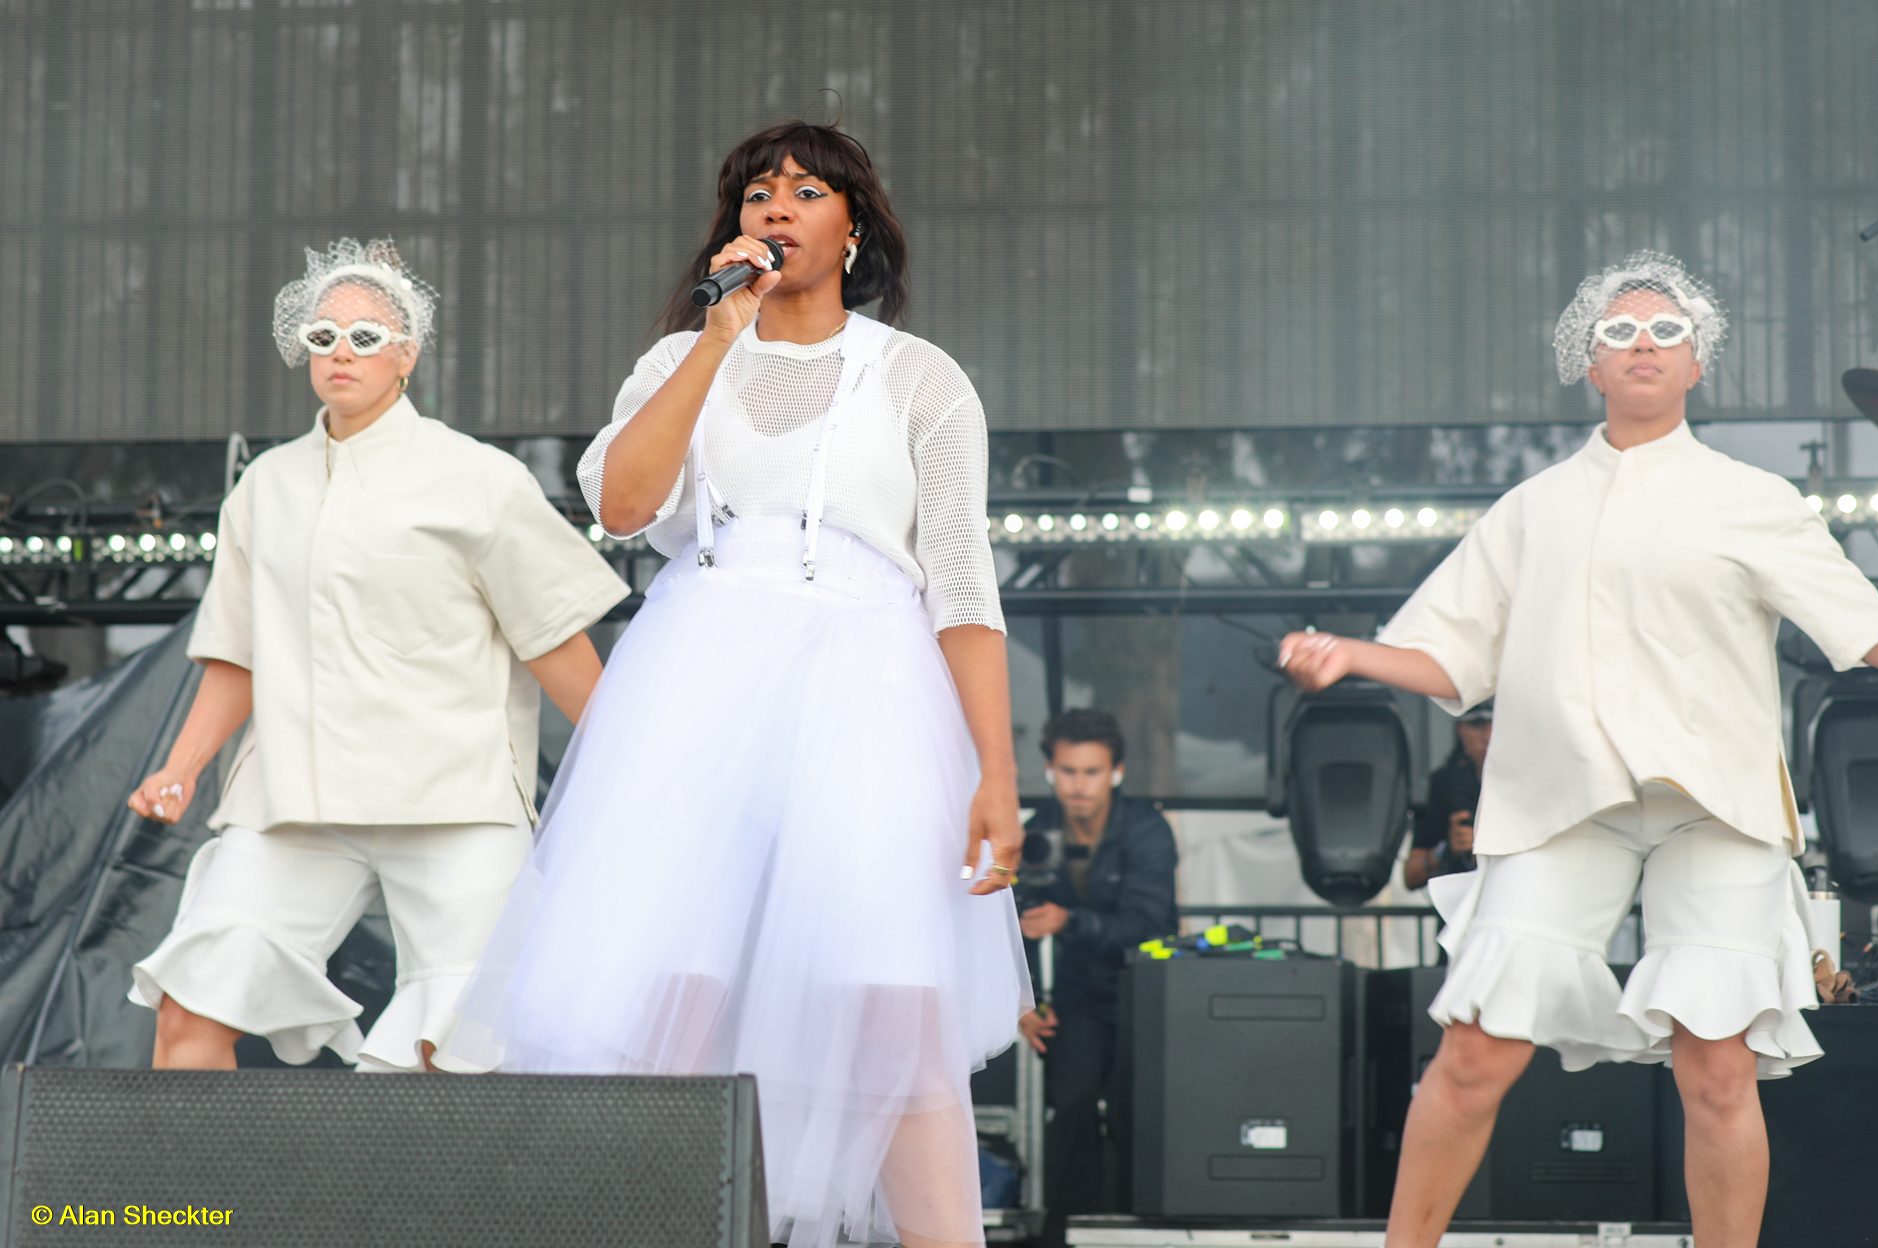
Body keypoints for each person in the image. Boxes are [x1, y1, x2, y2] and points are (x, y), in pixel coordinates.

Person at [1280, 250, 1878, 1248]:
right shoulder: (1530, 508)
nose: (1643, 344)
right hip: (1557, 798)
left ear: (1697, 362)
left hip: (1716, 804)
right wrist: (1348, 654)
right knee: (1475, 1049)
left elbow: (1866, 630)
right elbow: (1448, 657)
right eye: (1617, 331)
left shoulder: (1751, 498)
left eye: (1665, 330)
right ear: (1588, 363)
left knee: (1716, 1068)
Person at [444, 122, 1032, 1248]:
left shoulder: (917, 380)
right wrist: (719, 332)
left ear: (852, 226)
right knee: (668, 992)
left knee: (889, 1003)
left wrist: (995, 775)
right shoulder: (677, 362)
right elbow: (621, 510)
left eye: (807, 192)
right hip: (699, 682)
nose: (777, 209)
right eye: (757, 194)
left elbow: (962, 585)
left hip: (868, 685)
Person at [126, 238, 629, 1074]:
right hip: (293, 797)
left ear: (408, 352)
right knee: (190, 1013)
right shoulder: (266, 487)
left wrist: (636, 770)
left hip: (454, 797)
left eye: (365, 335)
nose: (340, 353)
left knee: (453, 1055)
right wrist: (181, 767)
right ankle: (195, 1214)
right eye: (321, 337)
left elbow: (556, 643)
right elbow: (236, 654)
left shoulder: (480, 479)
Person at [1014, 709, 1177, 1248]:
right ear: (1049, 770)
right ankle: (1064, 1235)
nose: (1077, 785)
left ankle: (1147, 1231)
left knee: (1143, 1112)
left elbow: (1149, 925)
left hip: (1147, 996)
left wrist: (1070, 921)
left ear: (1116, 771)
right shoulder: (1038, 832)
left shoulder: (1147, 829)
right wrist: (1024, 1000)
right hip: (1077, 998)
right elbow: (1014, 926)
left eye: (1089, 771)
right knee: (1075, 1102)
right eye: (1067, 771)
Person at [1403, 703, 1491, 890]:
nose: (1488, 736)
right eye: (1477, 725)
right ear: (1460, 730)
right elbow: (1410, 876)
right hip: (1458, 907)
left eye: (1497, 725)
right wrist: (1446, 851)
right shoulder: (1445, 783)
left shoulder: (1530, 783)